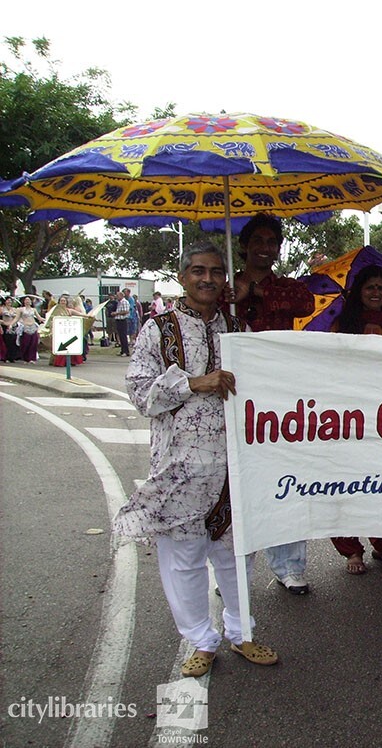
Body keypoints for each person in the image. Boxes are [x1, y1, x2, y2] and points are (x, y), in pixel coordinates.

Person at [112, 241, 279, 678]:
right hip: (180, 466)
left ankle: (242, 633)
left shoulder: (238, 328)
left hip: (233, 466)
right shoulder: (157, 329)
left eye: (217, 272)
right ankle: (201, 641)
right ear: (183, 277)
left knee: (237, 553)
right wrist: (194, 383)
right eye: (199, 271)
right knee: (183, 557)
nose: (208, 279)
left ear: (227, 278)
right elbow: (138, 392)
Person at [231, 214, 316, 594]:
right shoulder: (226, 286)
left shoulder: (287, 287)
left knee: (287, 474)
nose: (265, 247)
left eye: (272, 241)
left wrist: (260, 294)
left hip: (281, 392)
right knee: (239, 480)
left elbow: (305, 304)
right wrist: (236, 294)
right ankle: (234, 566)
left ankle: (289, 565)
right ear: (245, 245)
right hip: (235, 391)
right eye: (258, 241)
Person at [329, 264, 382, 574]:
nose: (376, 292)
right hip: (346, 417)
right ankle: (351, 551)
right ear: (358, 292)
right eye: (369, 287)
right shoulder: (342, 326)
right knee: (345, 482)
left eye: (381, 288)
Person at [47, 294, 87, 367]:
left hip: (68, 331)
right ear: (59, 302)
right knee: (60, 347)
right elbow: (51, 320)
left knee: (69, 346)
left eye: (64, 301)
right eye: (61, 301)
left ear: (66, 302)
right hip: (59, 331)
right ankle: (59, 362)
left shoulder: (69, 310)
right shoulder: (55, 310)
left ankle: (71, 361)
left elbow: (81, 315)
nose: (63, 302)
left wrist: (90, 316)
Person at [16, 296, 43, 363]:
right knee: (25, 343)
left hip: (33, 326)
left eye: (29, 300)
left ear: (31, 302)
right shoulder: (21, 309)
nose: (27, 301)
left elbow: (39, 318)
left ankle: (32, 358)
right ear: (24, 301)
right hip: (25, 327)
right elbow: (16, 318)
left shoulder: (34, 310)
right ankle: (25, 358)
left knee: (33, 343)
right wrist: (12, 324)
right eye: (26, 300)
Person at [112, 291, 131, 356]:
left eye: (117, 296)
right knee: (120, 336)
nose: (116, 297)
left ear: (121, 296)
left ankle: (126, 351)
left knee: (123, 336)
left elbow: (126, 311)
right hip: (118, 320)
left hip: (123, 320)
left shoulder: (124, 302)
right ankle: (122, 350)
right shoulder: (119, 302)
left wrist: (116, 313)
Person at [2, 296, 20, 362]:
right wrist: (4, 323)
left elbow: (17, 318)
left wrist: (12, 324)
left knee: (13, 342)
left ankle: (12, 357)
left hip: (13, 327)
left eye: (10, 300)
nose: (9, 302)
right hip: (5, 326)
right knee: (7, 342)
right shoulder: (2, 309)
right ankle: (6, 357)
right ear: (5, 301)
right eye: (8, 300)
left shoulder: (14, 309)